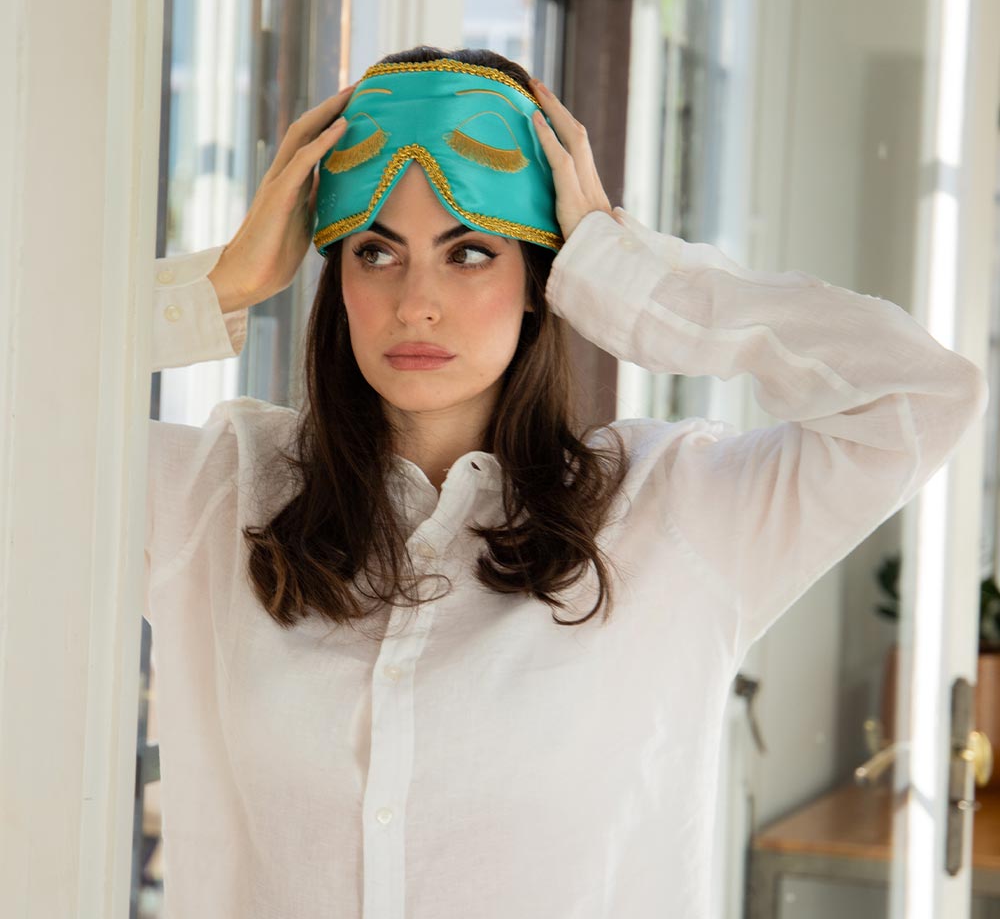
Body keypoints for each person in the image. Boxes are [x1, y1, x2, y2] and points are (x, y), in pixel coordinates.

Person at [145, 46, 987, 919]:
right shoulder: (219, 498)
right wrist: (213, 286)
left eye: (468, 252)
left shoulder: (674, 513)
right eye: (375, 251)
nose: (416, 301)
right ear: (337, 277)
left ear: (542, 283)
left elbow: (923, 395)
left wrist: (624, 272)